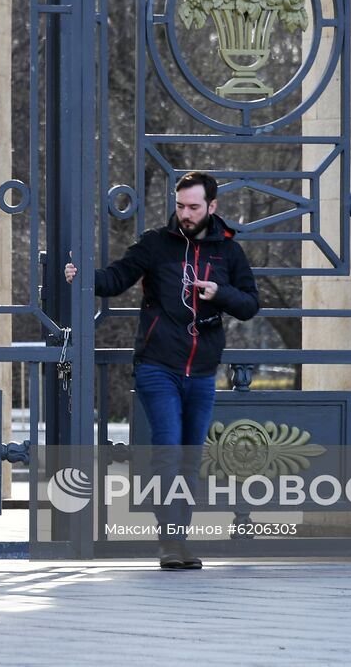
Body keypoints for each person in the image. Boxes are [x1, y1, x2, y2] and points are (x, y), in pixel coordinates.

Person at [65, 171, 259, 570]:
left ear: (212, 207)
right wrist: (83, 276)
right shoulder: (156, 243)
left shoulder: (229, 252)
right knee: (168, 452)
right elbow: (117, 278)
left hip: (202, 371)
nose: (185, 214)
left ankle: (180, 540)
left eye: (194, 207)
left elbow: (250, 304)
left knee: (190, 457)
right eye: (180, 206)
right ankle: (169, 542)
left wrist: (219, 293)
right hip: (158, 366)